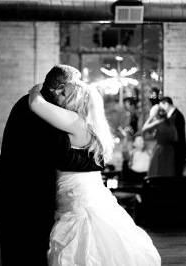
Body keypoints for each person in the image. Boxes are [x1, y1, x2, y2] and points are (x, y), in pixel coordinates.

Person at [29, 80, 161, 266]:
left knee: (83, 243)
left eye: (63, 93)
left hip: (78, 195)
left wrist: (39, 87)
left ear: (76, 101)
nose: (58, 94)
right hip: (81, 190)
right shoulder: (86, 124)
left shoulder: (75, 122)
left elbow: (36, 103)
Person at [0, 65, 105, 266]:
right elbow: (61, 156)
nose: (74, 94)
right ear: (60, 87)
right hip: (26, 206)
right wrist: (96, 159)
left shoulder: (28, 103)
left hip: (13, 201)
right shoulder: (44, 112)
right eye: (72, 88)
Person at [143, 108, 177, 177]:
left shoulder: (158, 123)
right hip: (170, 150)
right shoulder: (171, 125)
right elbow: (175, 138)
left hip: (160, 149)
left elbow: (144, 129)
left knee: (156, 171)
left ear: (157, 116)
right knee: (167, 171)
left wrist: (151, 117)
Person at [160, 97, 186, 177]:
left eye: (162, 106)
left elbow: (175, 134)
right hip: (174, 149)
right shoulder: (173, 114)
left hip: (176, 149)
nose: (162, 109)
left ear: (167, 104)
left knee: (176, 174)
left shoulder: (176, 115)